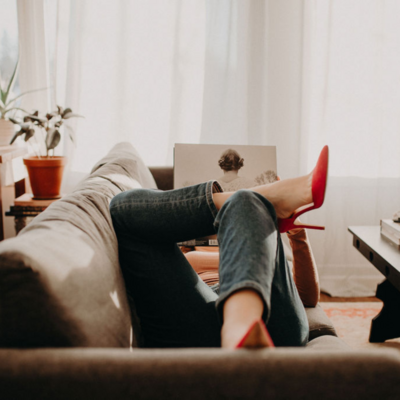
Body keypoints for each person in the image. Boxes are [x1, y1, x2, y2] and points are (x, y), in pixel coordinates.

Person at [109, 146, 329, 349]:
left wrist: (297, 233)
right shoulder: (184, 242)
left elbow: (308, 299)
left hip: (270, 319)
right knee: (123, 207)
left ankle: (241, 324)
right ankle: (267, 197)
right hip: (197, 312)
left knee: (246, 200)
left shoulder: (264, 240)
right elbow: (185, 265)